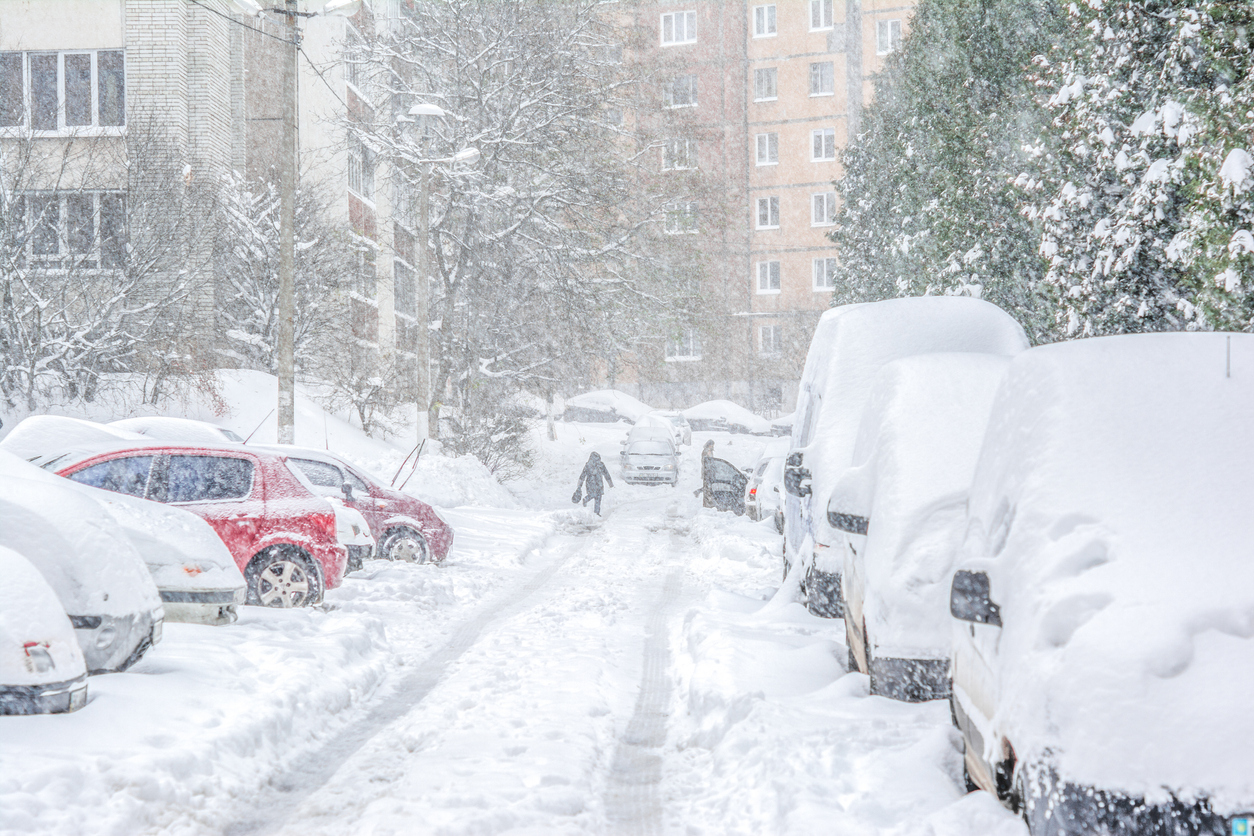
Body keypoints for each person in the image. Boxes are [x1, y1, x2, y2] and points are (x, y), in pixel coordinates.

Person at [574, 451, 613, 515]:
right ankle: (596, 512)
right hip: (598, 483)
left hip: (590, 483)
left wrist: (579, 485)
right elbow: (606, 474)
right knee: (598, 497)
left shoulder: (588, 465)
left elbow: (582, 475)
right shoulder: (601, 465)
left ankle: (587, 500)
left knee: (594, 494)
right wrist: (610, 484)